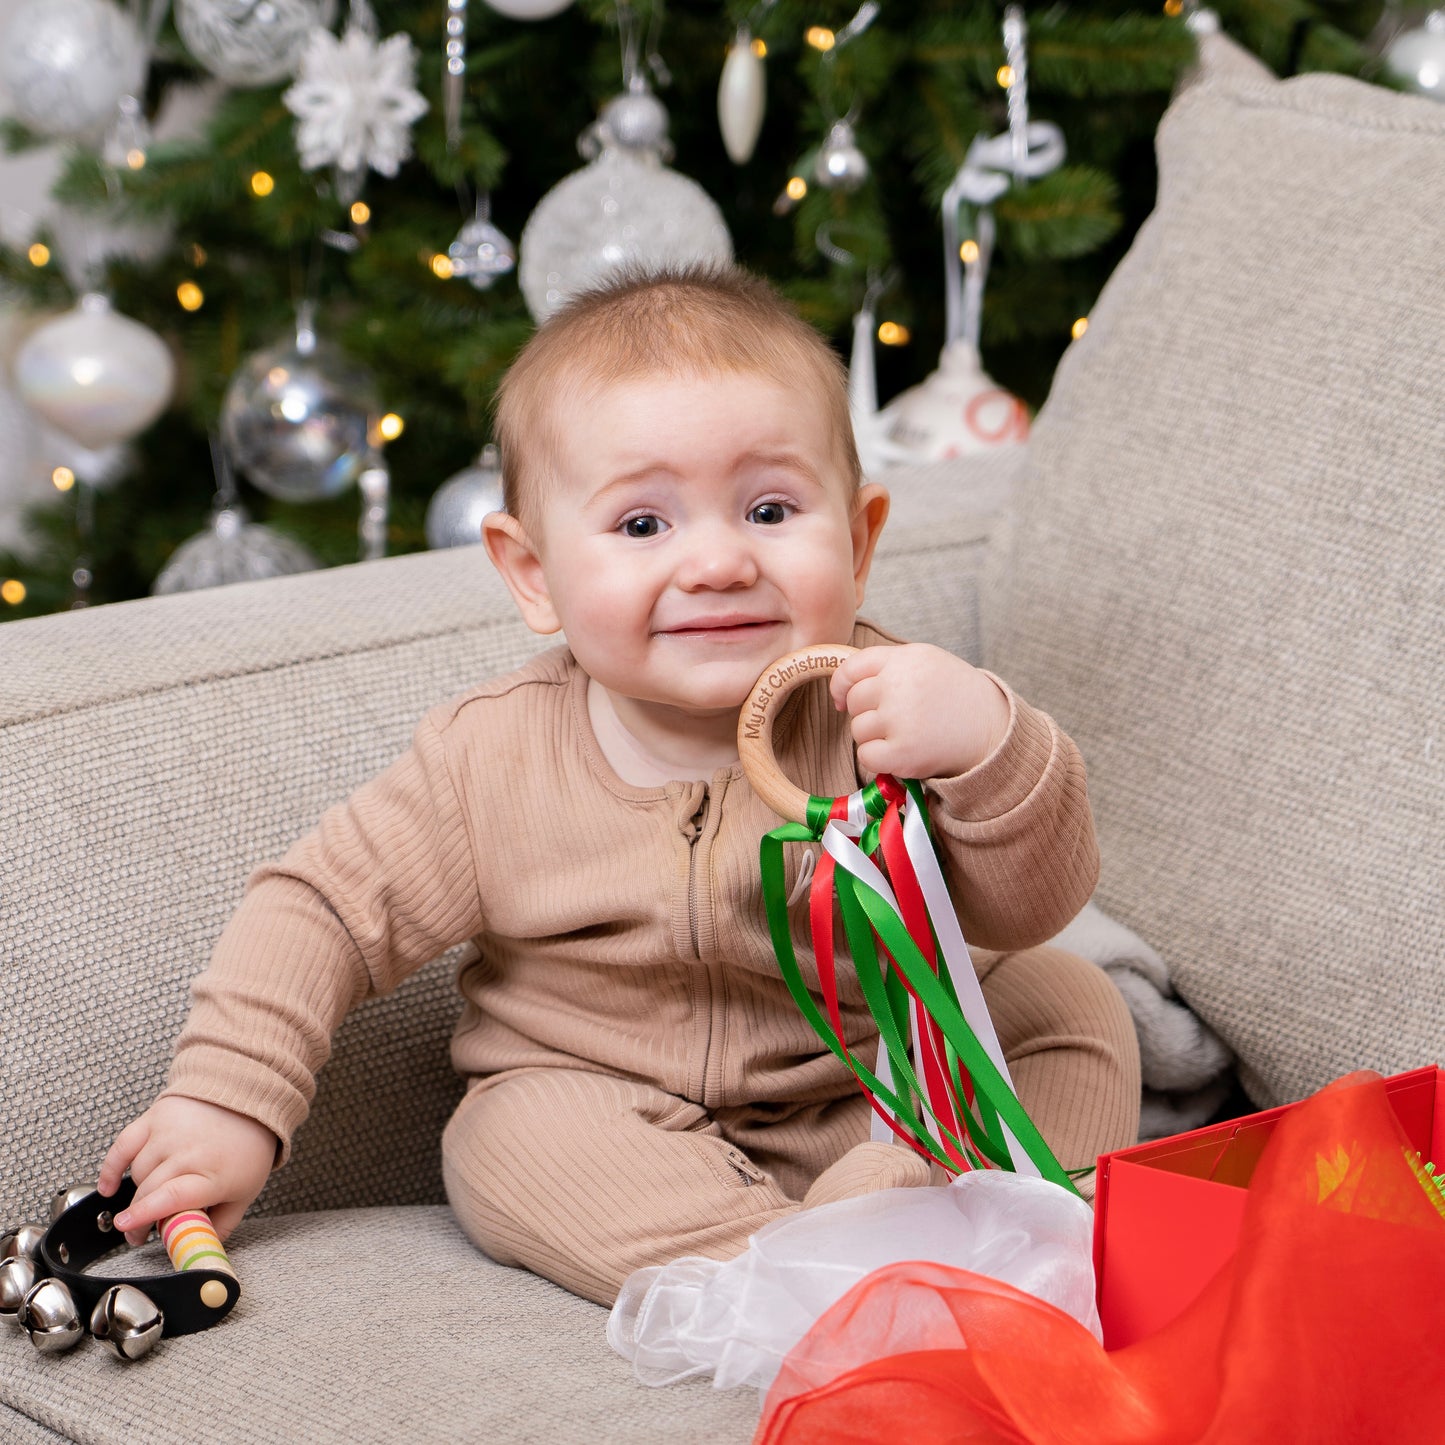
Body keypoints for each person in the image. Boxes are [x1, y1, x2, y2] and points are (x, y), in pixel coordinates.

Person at [98, 265, 1140, 1307]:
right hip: (608, 1108)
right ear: (533, 573)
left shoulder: (888, 707)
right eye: (644, 525)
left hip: (884, 1089)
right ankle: (799, 1270)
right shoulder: (489, 758)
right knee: (505, 1140)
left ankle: (991, 1228)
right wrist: (228, 1100)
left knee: (1066, 999)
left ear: (858, 540)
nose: (719, 562)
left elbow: (1028, 905)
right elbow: (321, 908)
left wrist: (991, 744)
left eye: (769, 508)